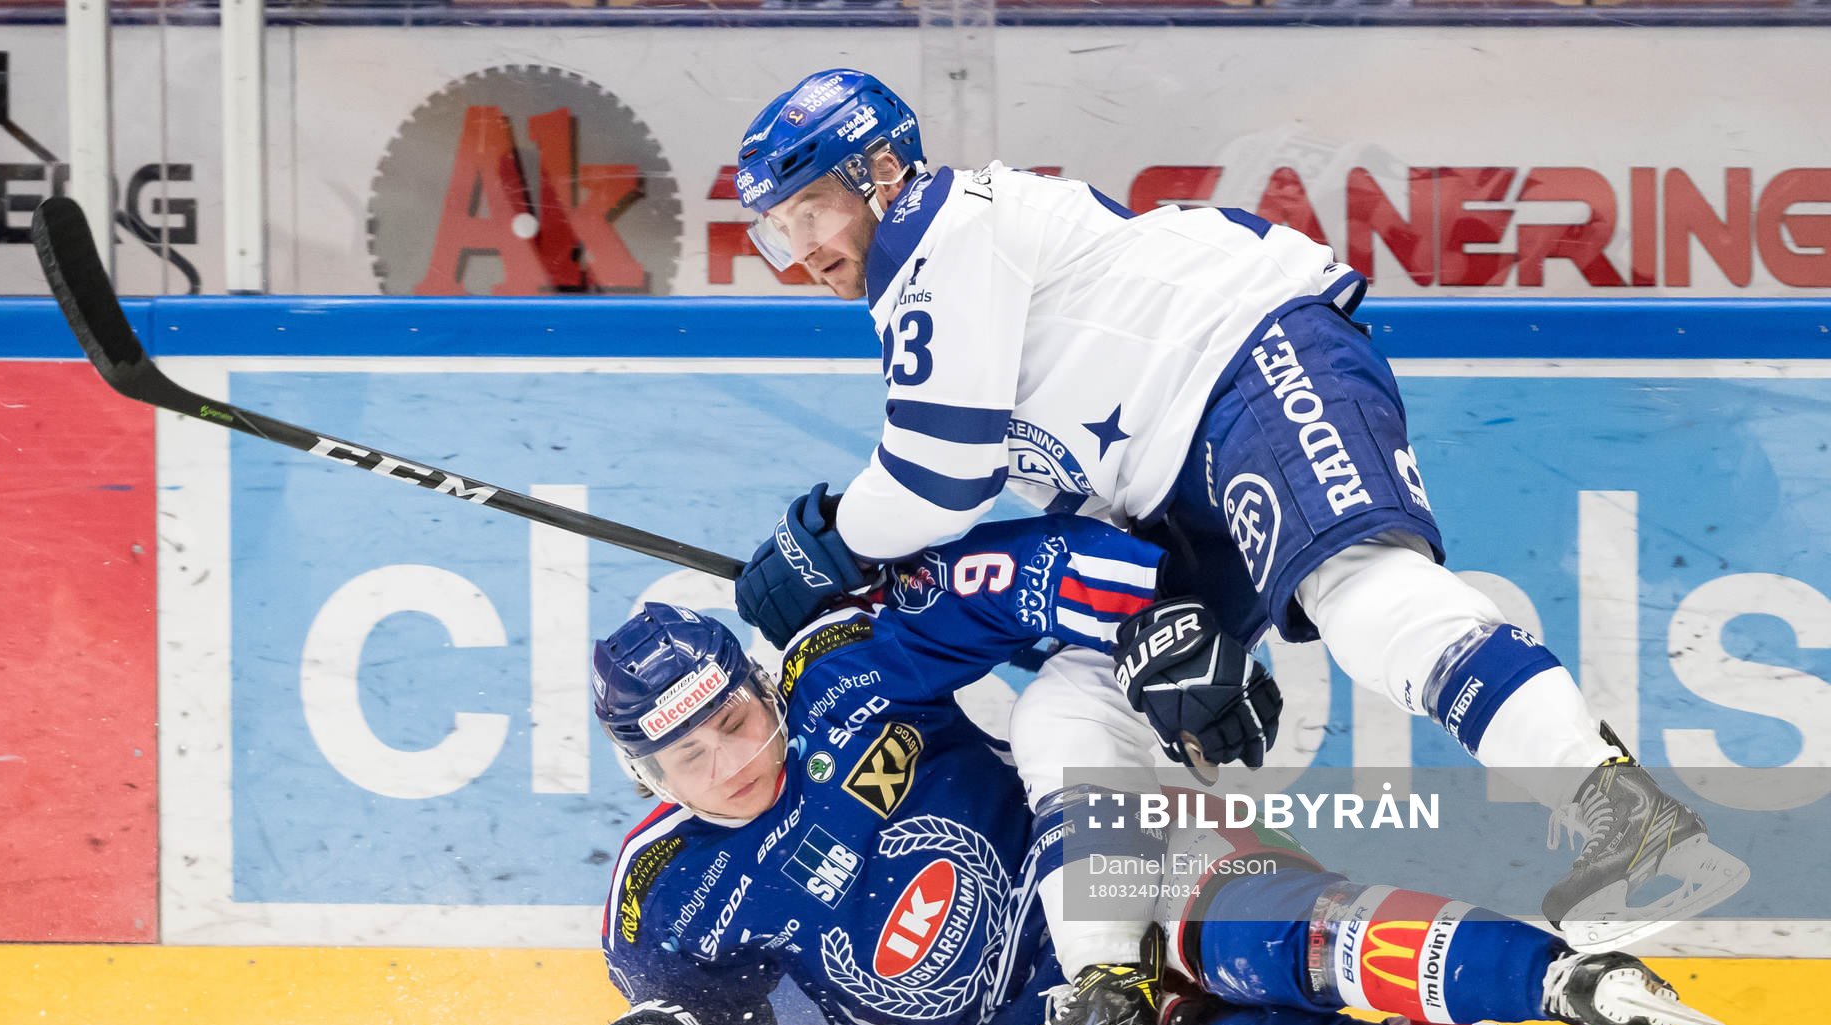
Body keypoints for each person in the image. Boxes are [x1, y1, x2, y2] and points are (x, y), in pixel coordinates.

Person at [723, 68, 1747, 956]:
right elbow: (1014, 493)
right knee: (1078, 705)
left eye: (813, 207)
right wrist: (1143, 618)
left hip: (1252, 365)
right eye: (778, 230)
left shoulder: (948, 235)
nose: (802, 249)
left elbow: (938, 477)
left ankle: (1632, 827)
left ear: (883, 175)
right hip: (1167, 474)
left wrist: (825, 542)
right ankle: (1106, 997)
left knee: (1361, 594)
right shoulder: (932, 279)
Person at [563, 516, 1765, 1025]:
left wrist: (1142, 612)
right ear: (642, 769)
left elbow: (1007, 581)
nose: (731, 758)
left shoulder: (840, 667)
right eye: (688, 753)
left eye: (732, 716)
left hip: (1128, 872)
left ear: (759, 682)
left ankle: (1568, 975)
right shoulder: (660, 885)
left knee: (1270, 938)